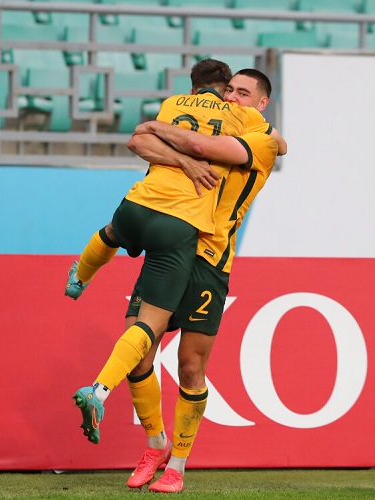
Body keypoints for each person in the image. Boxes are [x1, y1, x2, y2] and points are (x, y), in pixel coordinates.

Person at [70, 59, 279, 461]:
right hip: (174, 242)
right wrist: (168, 143)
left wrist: (157, 128)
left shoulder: (260, 138)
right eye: (229, 90)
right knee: (140, 353)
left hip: (210, 258)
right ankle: (153, 446)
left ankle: (178, 465)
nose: (232, 99)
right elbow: (148, 142)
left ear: (262, 103)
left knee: (190, 366)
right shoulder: (223, 119)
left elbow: (202, 146)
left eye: (243, 94)